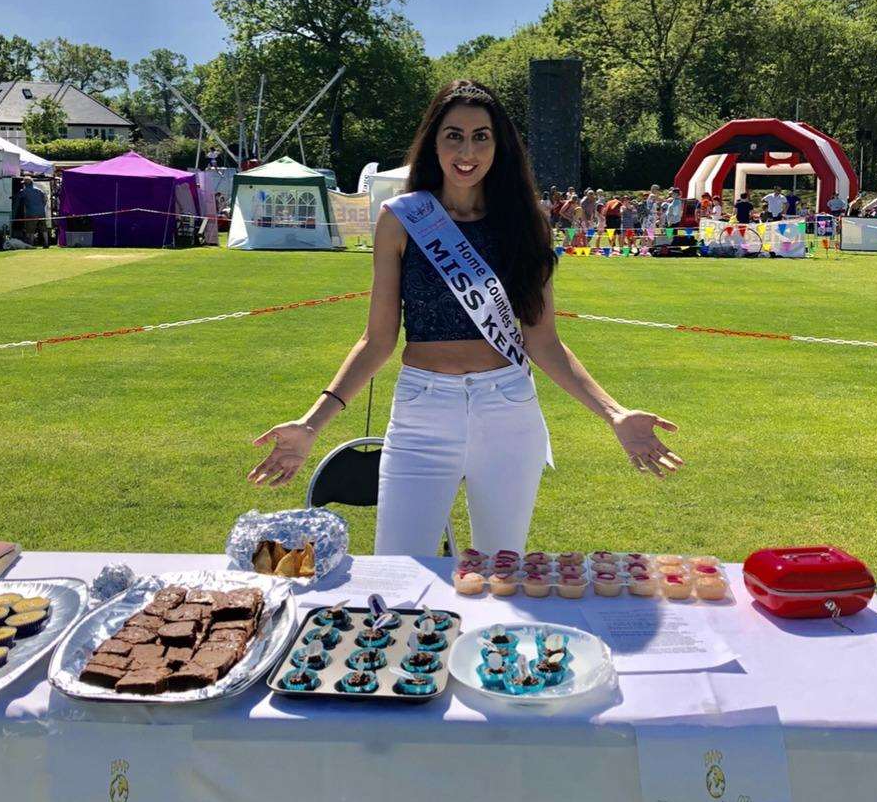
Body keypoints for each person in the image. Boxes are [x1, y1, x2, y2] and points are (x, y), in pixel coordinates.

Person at [248, 79, 684, 555]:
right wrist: (312, 424)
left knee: (502, 568)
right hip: (422, 411)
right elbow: (377, 341)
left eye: (482, 136)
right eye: (453, 134)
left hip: (508, 410)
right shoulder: (402, 218)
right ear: (433, 142)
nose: (467, 150)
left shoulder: (525, 223)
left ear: (500, 146)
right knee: (399, 568)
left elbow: (543, 342)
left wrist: (615, 413)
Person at [14, 178, 49, 248]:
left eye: (24, 183)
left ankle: (31, 244)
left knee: (30, 230)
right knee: (44, 229)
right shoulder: (39, 190)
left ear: (26, 184)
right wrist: (42, 206)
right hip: (41, 212)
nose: (23, 185)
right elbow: (45, 199)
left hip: (31, 213)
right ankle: (46, 243)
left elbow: (17, 198)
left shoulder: (24, 191)